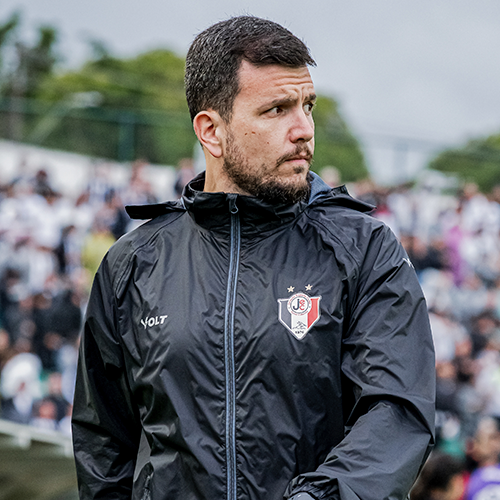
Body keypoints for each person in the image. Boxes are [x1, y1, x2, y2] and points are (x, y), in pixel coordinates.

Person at [72, 15, 435, 500]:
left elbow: (397, 412)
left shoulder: (366, 250)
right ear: (211, 131)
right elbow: (103, 446)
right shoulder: (133, 264)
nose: (304, 130)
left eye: (307, 106)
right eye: (277, 109)